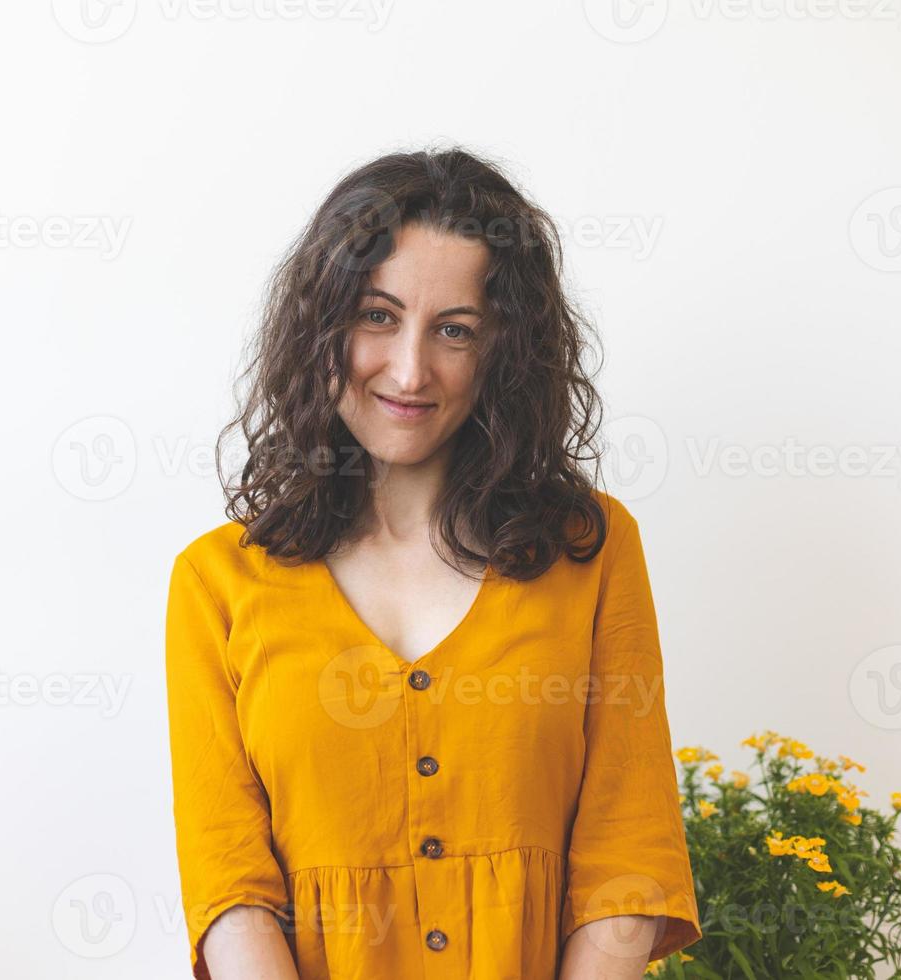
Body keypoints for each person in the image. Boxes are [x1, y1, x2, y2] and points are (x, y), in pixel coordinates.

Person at [164, 146, 701, 979]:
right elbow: (230, 892)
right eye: (377, 316)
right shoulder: (217, 582)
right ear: (322, 326)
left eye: (455, 330)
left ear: (504, 357)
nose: (410, 370)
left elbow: (626, 863)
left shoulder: (591, 553)